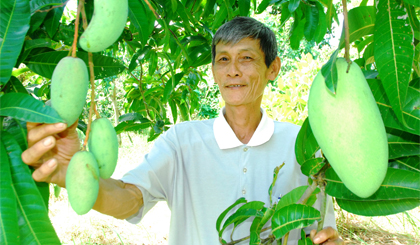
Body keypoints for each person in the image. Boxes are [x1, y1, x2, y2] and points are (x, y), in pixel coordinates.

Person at [22, 17, 343, 245]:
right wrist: (74, 176)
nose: (232, 70)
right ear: (214, 71)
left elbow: (319, 230)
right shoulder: (181, 141)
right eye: (223, 60)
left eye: (246, 58)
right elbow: (129, 199)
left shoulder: (303, 148)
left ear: (272, 68)